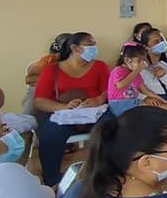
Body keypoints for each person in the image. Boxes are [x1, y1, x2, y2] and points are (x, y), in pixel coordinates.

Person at [33, 32, 110, 186]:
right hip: (64, 115)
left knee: (113, 126)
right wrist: (64, 107)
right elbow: (40, 100)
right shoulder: (52, 70)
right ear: (75, 48)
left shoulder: (100, 66)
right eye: (90, 45)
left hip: (94, 112)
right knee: (50, 135)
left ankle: (107, 174)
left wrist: (98, 100)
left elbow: (108, 91)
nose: (94, 48)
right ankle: (52, 180)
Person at [107, 44, 167, 117]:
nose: (142, 64)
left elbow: (145, 90)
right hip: (118, 103)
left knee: (161, 106)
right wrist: (137, 70)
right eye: (139, 61)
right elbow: (120, 85)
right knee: (151, 109)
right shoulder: (118, 70)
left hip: (133, 102)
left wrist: (162, 100)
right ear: (127, 60)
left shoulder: (136, 74)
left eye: (143, 61)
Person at [23, 32, 70, 115]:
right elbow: (29, 79)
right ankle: (29, 119)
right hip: (49, 94)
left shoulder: (82, 62)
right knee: (35, 89)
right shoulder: (48, 60)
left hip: (70, 96)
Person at [139, 28, 167, 113]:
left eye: (162, 40)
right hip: (149, 103)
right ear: (146, 47)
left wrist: (164, 77)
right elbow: (133, 88)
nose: (161, 43)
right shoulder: (139, 63)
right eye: (156, 42)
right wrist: (145, 98)